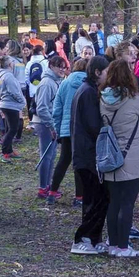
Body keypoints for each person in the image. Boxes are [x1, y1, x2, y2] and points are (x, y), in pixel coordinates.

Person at [97, 58, 139, 257]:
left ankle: (113, 244)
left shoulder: (102, 99)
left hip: (110, 154)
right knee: (127, 203)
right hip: (132, 156)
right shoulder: (134, 99)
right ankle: (123, 246)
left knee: (114, 202)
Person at [70, 55, 112, 253]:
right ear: (97, 72)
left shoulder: (87, 90)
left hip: (87, 154)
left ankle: (94, 238)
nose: (108, 76)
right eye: (106, 72)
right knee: (94, 199)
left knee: (99, 198)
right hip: (87, 156)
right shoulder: (87, 92)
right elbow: (93, 125)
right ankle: (82, 238)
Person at [51, 58, 90, 204]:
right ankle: (79, 197)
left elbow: (57, 109)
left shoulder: (65, 83)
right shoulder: (89, 85)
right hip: (82, 130)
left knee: (63, 161)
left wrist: (58, 129)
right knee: (79, 164)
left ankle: (52, 192)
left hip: (66, 129)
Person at [33, 55, 67, 197]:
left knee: (51, 156)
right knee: (46, 156)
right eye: (59, 66)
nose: (62, 69)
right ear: (51, 66)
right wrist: (51, 126)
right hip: (44, 123)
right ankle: (43, 188)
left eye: (64, 67)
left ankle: (48, 186)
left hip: (51, 123)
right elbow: (42, 108)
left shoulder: (56, 81)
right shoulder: (47, 83)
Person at [0, 52, 25, 158]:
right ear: (9, 64)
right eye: (12, 62)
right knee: (13, 129)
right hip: (11, 105)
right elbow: (14, 92)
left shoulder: (1, 75)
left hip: (6, 104)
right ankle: (5, 151)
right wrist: (22, 101)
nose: (13, 63)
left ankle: (9, 150)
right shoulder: (8, 76)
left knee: (9, 128)